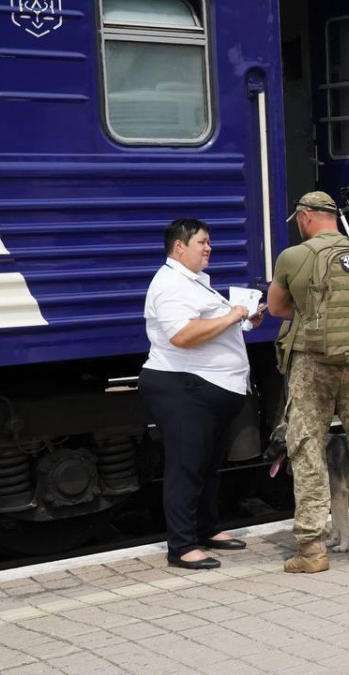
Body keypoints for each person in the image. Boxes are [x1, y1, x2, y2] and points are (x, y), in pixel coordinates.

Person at [268, 191, 349, 572]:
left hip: (315, 364)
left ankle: (312, 550)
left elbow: (277, 308)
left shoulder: (294, 257)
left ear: (307, 217)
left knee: (307, 449)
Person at [140, 219, 264, 570]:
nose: (208, 248)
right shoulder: (170, 285)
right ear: (179, 247)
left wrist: (245, 318)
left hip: (207, 390)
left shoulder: (194, 284)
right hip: (182, 388)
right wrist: (232, 316)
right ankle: (180, 546)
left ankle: (206, 528)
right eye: (201, 242)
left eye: (208, 243)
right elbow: (182, 335)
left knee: (207, 465)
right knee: (186, 466)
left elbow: (210, 325)